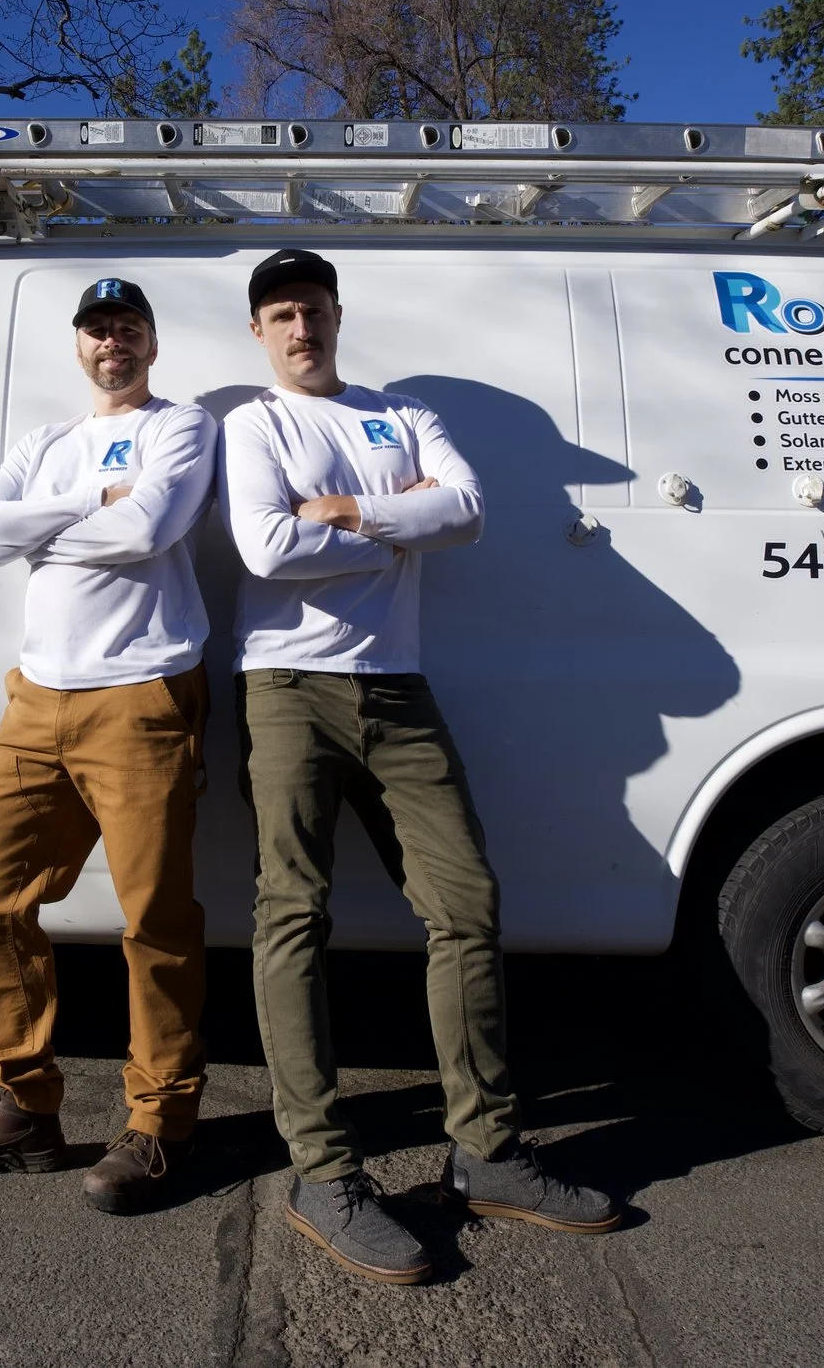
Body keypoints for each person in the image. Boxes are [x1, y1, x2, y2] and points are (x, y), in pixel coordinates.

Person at [223, 248, 617, 1284]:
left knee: (466, 903)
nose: (299, 326)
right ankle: (320, 1168)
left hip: (398, 688)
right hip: (288, 685)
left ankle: (485, 1152)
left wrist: (349, 514)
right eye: (279, 314)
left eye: (311, 308)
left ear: (337, 315)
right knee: (292, 913)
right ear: (259, 333)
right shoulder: (253, 424)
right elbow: (265, 547)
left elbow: (472, 511)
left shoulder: (396, 416)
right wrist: (403, 524)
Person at [0, 277, 218, 1215]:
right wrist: (90, 500)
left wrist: (53, 528)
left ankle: (162, 1122)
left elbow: (150, 527)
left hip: (142, 696)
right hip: (37, 698)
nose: (111, 341)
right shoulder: (47, 442)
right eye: (96, 328)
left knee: (154, 917)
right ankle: (18, 1107)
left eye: (127, 327)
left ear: (152, 343)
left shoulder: (182, 428)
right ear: (79, 348)